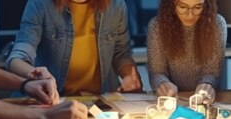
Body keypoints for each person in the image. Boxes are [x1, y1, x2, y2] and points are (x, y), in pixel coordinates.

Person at [7, 0, 142, 96]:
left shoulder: (116, 5)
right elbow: (17, 58)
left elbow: (121, 54)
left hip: (100, 102)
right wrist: (36, 74)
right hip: (54, 100)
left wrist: (128, 76)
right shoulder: (40, 4)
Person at [147, 0, 226, 99]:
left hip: (205, 100)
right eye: (183, 7)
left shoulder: (217, 24)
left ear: (206, 5)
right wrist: (162, 83)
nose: (190, 15)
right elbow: (157, 72)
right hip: (173, 99)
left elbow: (212, 72)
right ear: (171, 4)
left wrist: (208, 84)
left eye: (197, 7)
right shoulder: (157, 26)